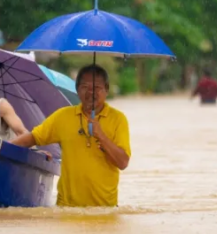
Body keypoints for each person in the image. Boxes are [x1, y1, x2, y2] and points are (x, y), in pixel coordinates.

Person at [11, 65, 130, 208]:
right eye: (85, 87)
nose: (91, 92)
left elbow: (123, 163)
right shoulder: (63, 116)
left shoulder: (118, 119)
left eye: (97, 87)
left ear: (107, 89)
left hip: (105, 210)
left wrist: (102, 136)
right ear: (77, 89)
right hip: (67, 209)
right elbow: (32, 138)